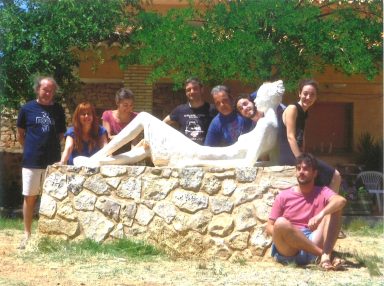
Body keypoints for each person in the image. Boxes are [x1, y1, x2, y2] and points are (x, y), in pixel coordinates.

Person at [73, 80, 285, 169]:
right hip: (200, 154)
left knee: (145, 117)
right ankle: (99, 163)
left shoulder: (266, 124)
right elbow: (269, 162)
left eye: (258, 98)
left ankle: (97, 159)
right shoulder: (270, 124)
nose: (255, 102)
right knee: (146, 147)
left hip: (198, 156)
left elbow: (248, 163)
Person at [266, 153, 346, 270]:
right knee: (281, 222)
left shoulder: (322, 192)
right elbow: (269, 227)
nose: (301, 172)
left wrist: (321, 215)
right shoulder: (283, 196)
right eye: (298, 168)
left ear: (315, 173)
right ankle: (326, 256)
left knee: (335, 209)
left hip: (314, 238)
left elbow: (341, 201)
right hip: (290, 249)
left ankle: (324, 255)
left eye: (306, 169)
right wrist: (289, 236)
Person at [16, 76, 66, 249]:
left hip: (53, 162)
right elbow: (20, 134)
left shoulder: (58, 110)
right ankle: (27, 234)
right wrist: (32, 148)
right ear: (38, 89)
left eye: (51, 90)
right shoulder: (27, 108)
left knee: (50, 198)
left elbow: (61, 134)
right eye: (45, 89)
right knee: (30, 197)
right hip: (31, 160)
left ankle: (47, 234)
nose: (48, 93)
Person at [278, 79, 341, 192]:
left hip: (298, 154)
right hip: (290, 155)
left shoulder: (304, 112)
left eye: (312, 95)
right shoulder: (293, 109)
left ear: (316, 97)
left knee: (322, 183)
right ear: (299, 93)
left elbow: (302, 136)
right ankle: (329, 208)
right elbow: (290, 137)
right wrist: (300, 160)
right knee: (335, 175)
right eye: (305, 93)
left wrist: (305, 154)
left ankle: (325, 207)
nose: (308, 97)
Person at [163, 77, 217, 145]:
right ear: (186, 92)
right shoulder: (180, 110)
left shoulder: (212, 109)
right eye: (188, 90)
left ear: (201, 89)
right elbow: (162, 124)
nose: (192, 91)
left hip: (205, 152)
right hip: (185, 153)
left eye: (195, 88)